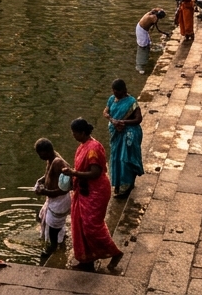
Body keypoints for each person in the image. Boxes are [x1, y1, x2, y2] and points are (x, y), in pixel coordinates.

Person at [59, 119, 123, 273]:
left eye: (74, 133)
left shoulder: (93, 148)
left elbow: (95, 173)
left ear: (82, 132)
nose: (73, 135)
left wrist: (73, 173)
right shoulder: (82, 146)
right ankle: (87, 260)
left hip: (96, 191)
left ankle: (114, 252)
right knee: (80, 224)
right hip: (83, 189)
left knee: (91, 226)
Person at [33, 138, 71, 265]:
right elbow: (49, 174)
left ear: (46, 151)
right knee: (41, 217)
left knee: (53, 230)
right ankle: (59, 239)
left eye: (40, 154)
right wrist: (40, 181)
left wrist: (45, 192)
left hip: (59, 201)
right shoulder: (51, 159)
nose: (39, 157)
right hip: (51, 200)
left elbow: (65, 188)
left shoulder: (58, 162)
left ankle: (52, 248)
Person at [104, 80, 143, 198]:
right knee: (116, 159)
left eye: (117, 91)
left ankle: (128, 184)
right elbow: (105, 111)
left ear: (124, 90)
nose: (115, 93)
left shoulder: (132, 102)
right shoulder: (112, 99)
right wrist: (111, 119)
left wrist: (123, 122)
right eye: (113, 91)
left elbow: (138, 119)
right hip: (116, 134)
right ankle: (118, 184)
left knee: (125, 159)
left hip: (130, 134)